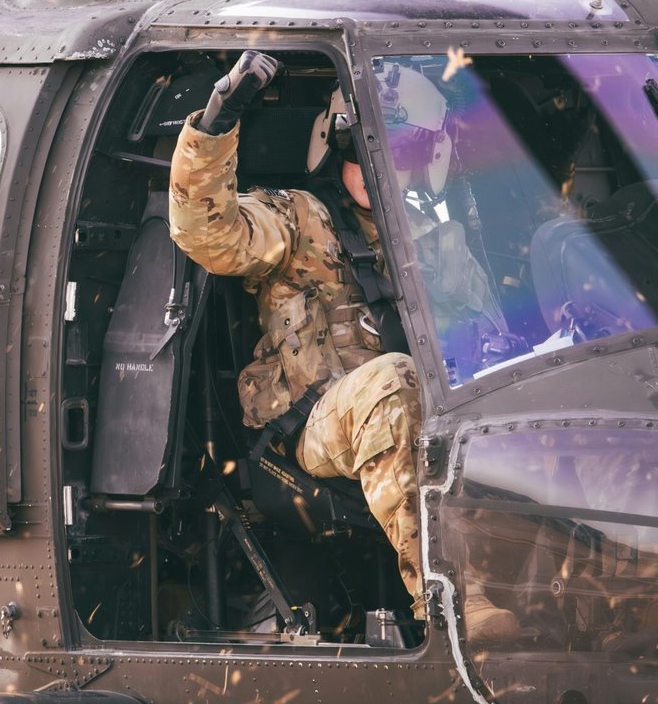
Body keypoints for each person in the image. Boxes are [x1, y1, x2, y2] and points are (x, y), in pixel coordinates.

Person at [167, 50, 518, 640]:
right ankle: (449, 603)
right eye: (365, 155)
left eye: (401, 154)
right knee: (393, 379)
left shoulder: (444, 246)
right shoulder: (302, 219)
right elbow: (208, 231)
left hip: (425, 426)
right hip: (317, 431)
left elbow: (493, 354)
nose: (383, 171)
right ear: (335, 149)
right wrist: (216, 124)